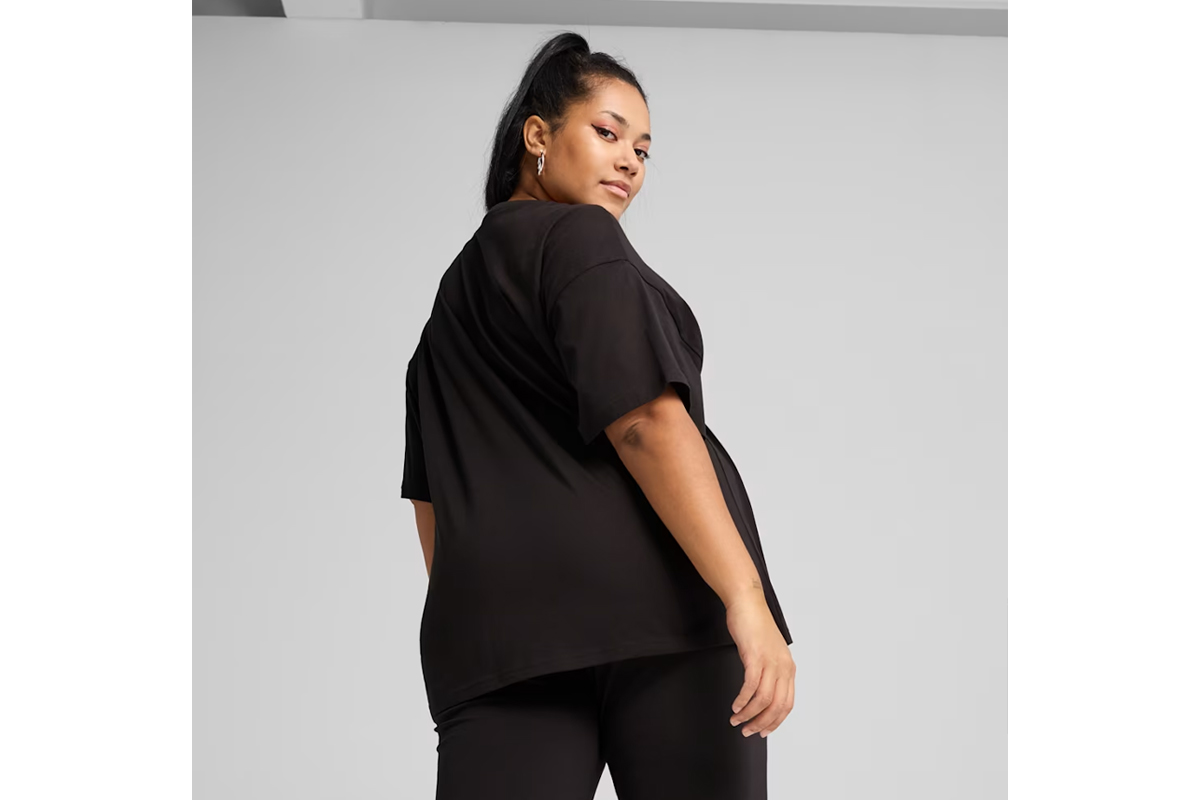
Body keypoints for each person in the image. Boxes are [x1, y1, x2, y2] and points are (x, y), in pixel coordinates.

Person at [401, 31, 795, 799]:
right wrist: (746, 598)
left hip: (500, 647)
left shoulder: (442, 320)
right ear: (537, 136)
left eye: (642, 151)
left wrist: (490, 622)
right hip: (667, 622)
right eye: (608, 133)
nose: (630, 163)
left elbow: (433, 505)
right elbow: (646, 420)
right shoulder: (582, 238)